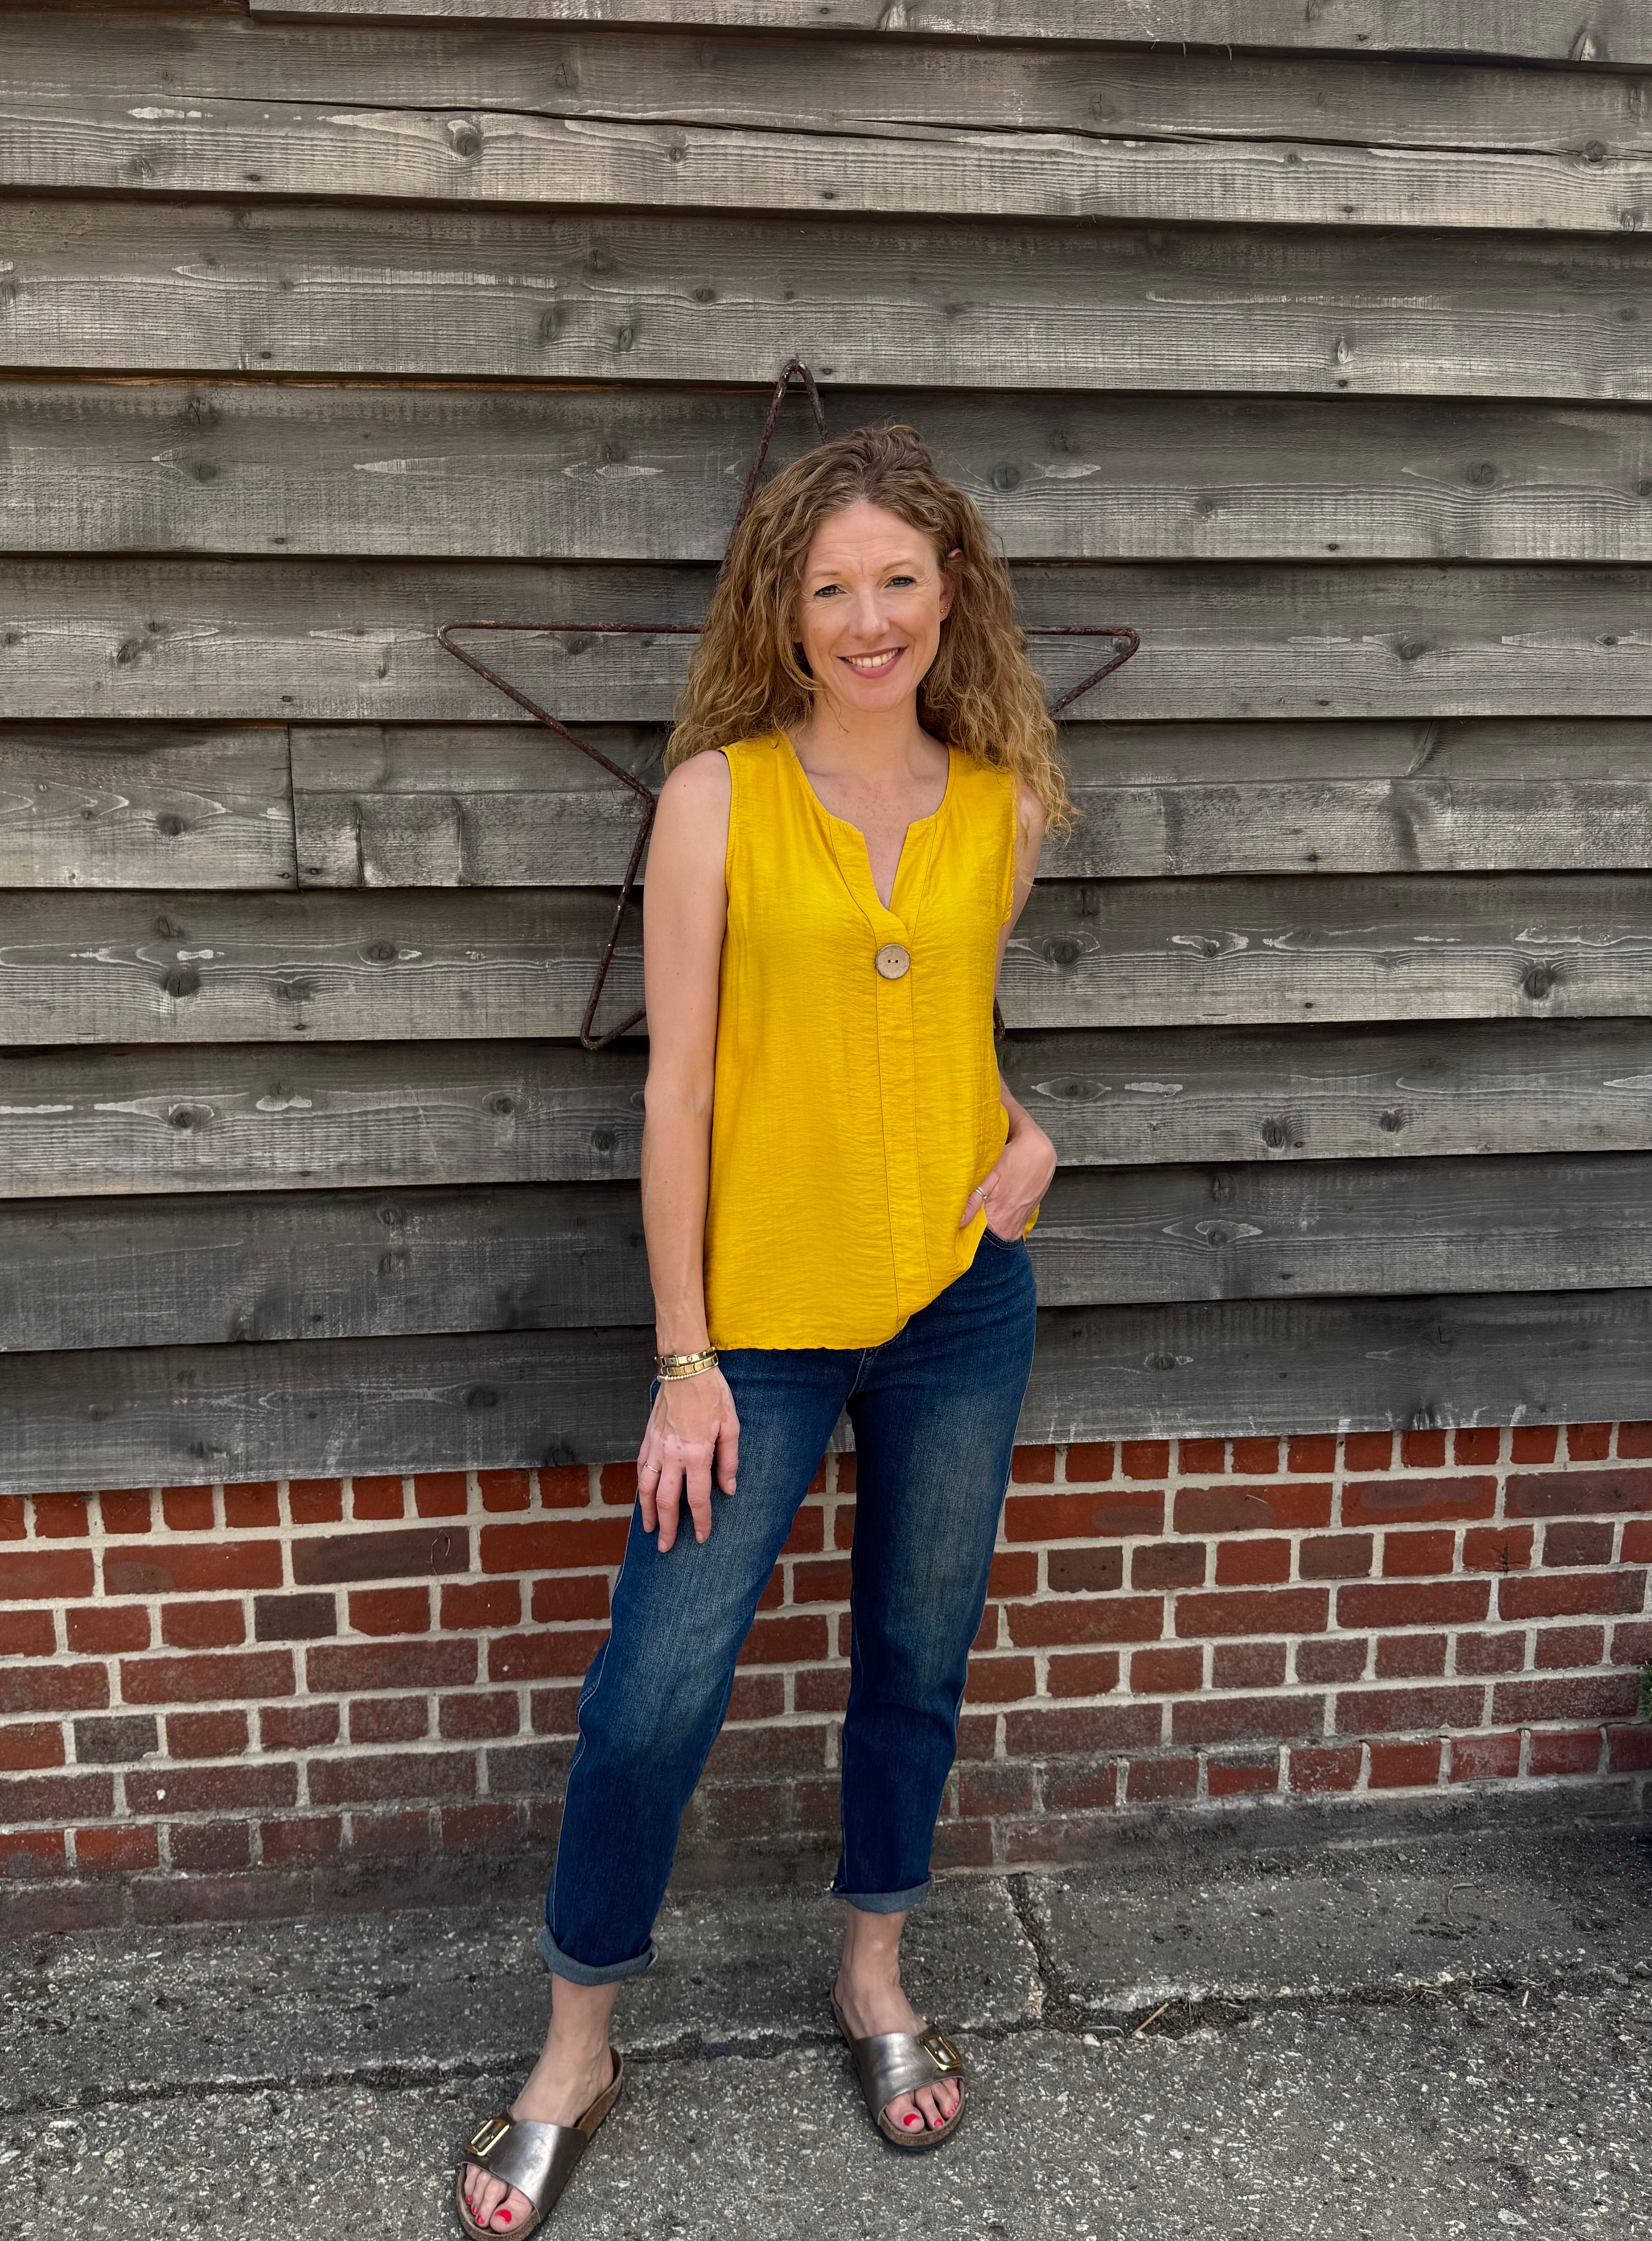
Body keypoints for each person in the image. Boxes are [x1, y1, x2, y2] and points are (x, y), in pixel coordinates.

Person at [456, 425, 1067, 2237]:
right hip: (761, 1332)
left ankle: (872, 1967)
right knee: (650, 1695)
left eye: (896, 579)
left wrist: (1024, 1129)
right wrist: (683, 1350)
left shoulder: (1003, 795)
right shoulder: (718, 796)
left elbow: (941, 1025)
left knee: (916, 1655)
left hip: (962, 1302)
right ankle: (577, 2044)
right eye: (829, 589)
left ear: (948, 588)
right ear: (781, 612)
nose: (866, 619)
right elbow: (680, 1096)